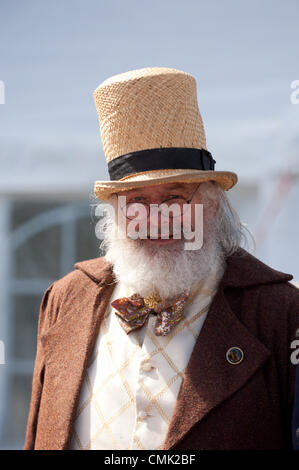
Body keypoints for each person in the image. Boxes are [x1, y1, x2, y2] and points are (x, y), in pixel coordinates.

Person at [24, 67, 299, 450]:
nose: (157, 219)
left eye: (175, 196)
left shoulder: (280, 311)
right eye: (137, 200)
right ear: (116, 213)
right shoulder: (66, 300)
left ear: (212, 203)